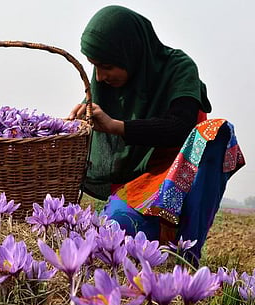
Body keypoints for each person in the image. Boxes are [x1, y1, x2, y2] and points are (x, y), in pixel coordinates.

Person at [68, 6, 245, 266]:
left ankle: (187, 257)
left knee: (217, 133)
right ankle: (157, 240)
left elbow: (179, 126)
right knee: (118, 231)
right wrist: (74, 125)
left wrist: (117, 126)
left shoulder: (178, 68)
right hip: (139, 186)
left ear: (132, 54)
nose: (99, 76)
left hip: (183, 175)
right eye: (94, 66)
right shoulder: (104, 85)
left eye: (106, 66)